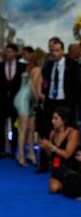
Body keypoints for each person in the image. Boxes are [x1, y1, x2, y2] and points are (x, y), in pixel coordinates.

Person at [37, 38, 81, 173]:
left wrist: (75, 103)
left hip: (67, 103)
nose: (54, 53)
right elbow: (45, 82)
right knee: (46, 130)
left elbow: (78, 86)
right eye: (52, 51)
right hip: (51, 102)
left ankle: (73, 163)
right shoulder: (48, 65)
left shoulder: (73, 65)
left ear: (63, 51)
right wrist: (42, 95)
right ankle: (44, 164)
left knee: (71, 131)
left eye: (57, 50)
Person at [0, 44, 25, 160]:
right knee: (1, 126)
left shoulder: (22, 67)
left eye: (10, 51)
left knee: (15, 126)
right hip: (2, 102)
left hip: (16, 101)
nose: (8, 54)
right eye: (6, 51)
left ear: (15, 52)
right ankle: (2, 150)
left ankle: (13, 149)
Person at [13, 49, 45, 167]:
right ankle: (20, 155)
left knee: (31, 128)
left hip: (26, 99)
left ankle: (31, 153)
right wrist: (39, 101)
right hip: (24, 99)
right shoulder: (37, 69)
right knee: (24, 129)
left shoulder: (29, 68)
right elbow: (33, 88)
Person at [39, 106, 80, 194]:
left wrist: (52, 147)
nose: (52, 121)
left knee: (70, 185)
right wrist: (46, 148)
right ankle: (70, 186)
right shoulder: (52, 133)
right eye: (52, 118)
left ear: (64, 120)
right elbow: (50, 155)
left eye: (56, 118)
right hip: (57, 169)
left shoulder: (73, 133)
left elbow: (67, 155)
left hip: (71, 168)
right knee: (53, 188)